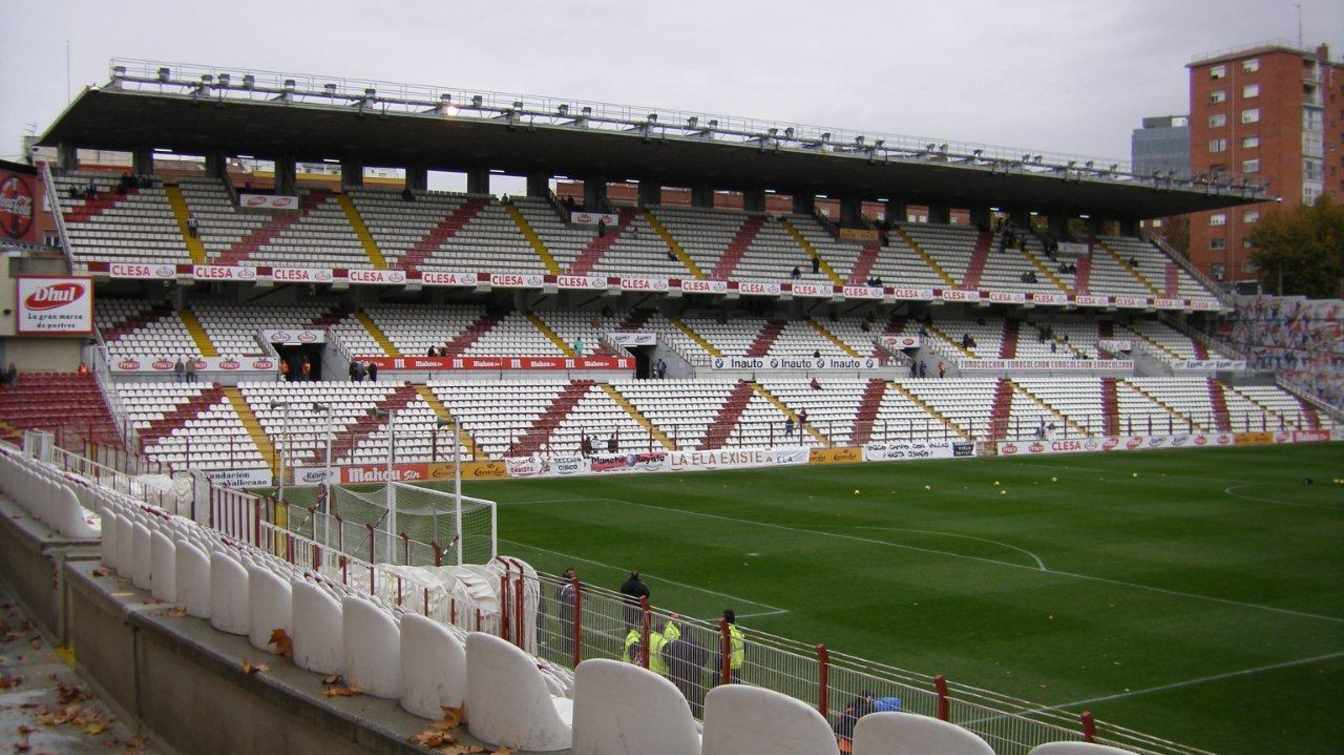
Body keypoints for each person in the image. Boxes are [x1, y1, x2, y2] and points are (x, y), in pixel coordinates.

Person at [662, 632, 709, 717]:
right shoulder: (696, 643)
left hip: (677, 672)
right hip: (693, 673)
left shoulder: (674, 643)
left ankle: (678, 711)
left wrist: (671, 665)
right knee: (695, 693)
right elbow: (706, 654)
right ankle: (695, 714)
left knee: (678, 692)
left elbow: (664, 653)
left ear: (680, 633)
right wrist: (698, 667)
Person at [713, 609, 744, 684]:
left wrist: (720, 667)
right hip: (737, 664)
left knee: (724, 689)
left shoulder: (725, 635)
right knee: (735, 687)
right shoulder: (739, 633)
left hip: (728, 665)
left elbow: (722, 651)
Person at [555, 567, 579, 658]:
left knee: (569, 631)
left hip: (570, 612)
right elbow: (558, 598)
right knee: (567, 630)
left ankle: (568, 648)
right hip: (568, 612)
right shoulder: (565, 587)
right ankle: (567, 648)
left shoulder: (573, 586)